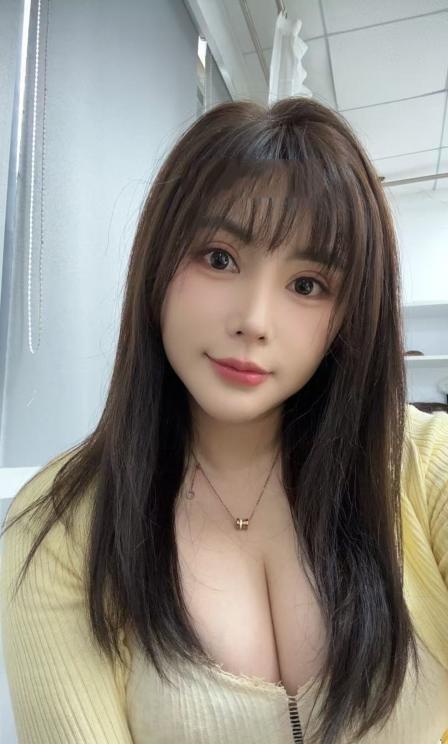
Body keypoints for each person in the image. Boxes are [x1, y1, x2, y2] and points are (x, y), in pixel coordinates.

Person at [1, 96, 447, 744]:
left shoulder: (424, 466)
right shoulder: (60, 526)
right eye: (218, 258)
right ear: (157, 264)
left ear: (349, 316)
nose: (254, 320)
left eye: (308, 285)